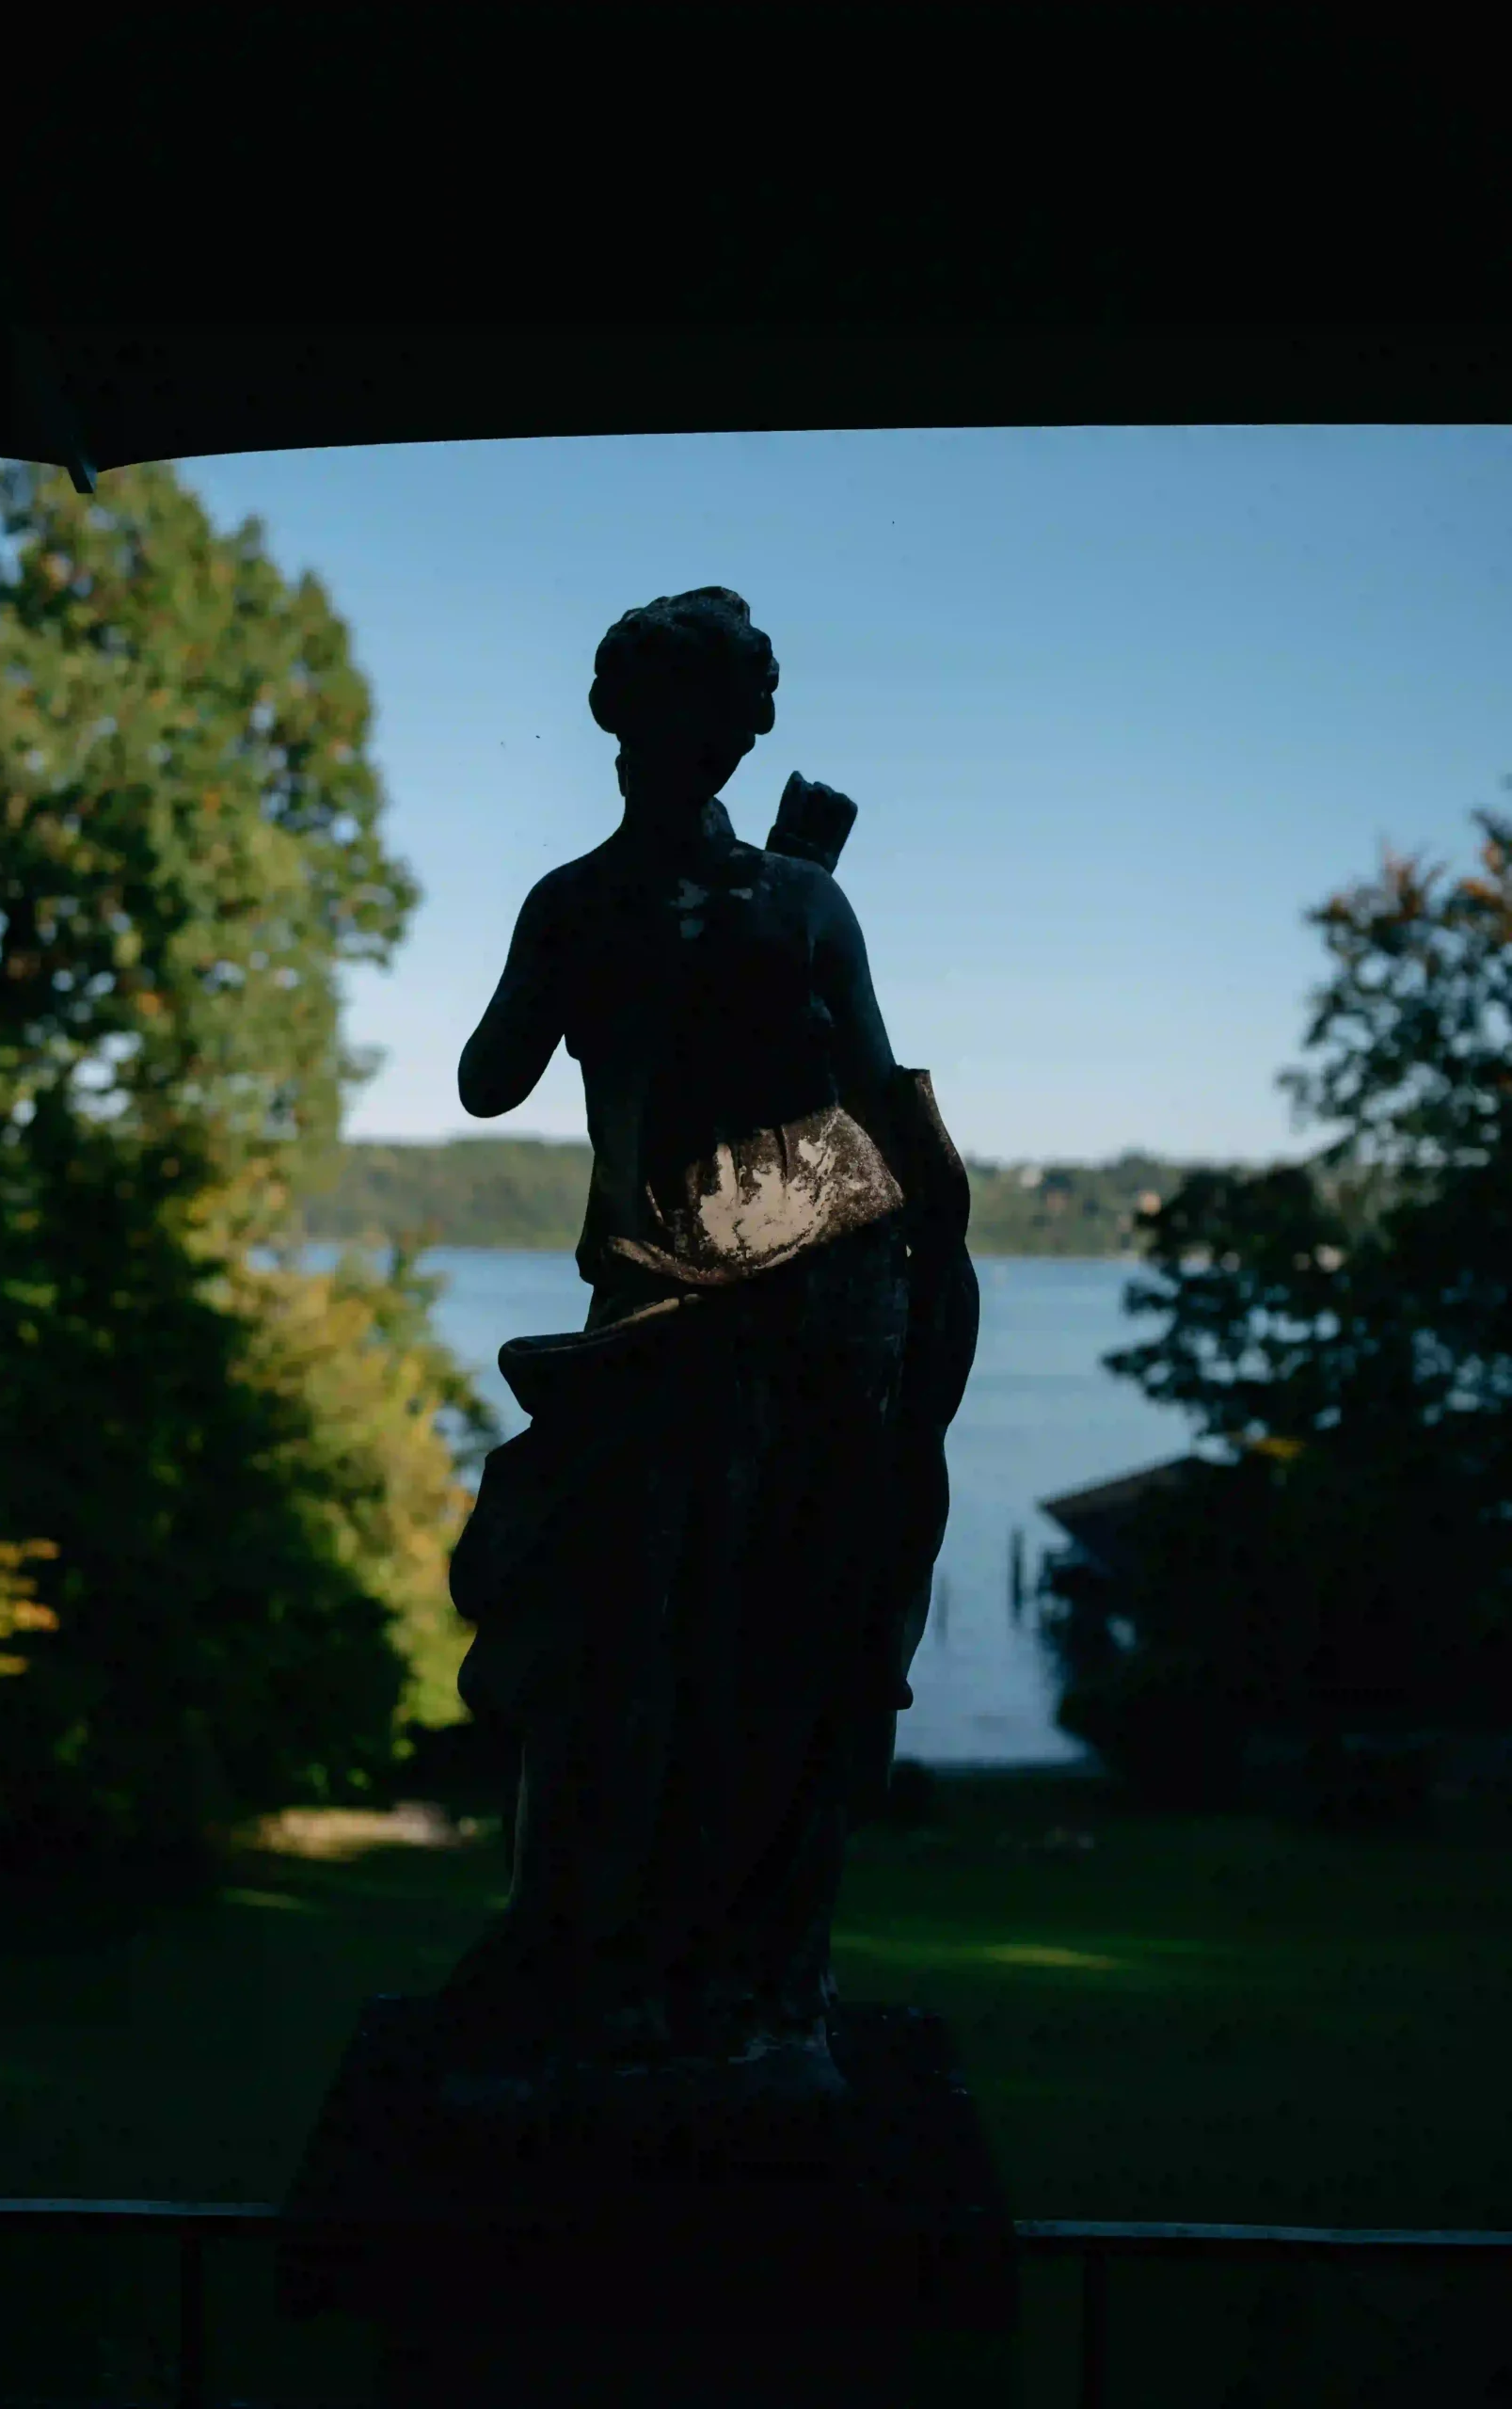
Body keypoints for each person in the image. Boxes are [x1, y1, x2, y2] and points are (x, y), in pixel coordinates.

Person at [436, 589, 977, 2090]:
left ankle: (743, 1982)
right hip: (678, 1328)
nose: (702, 738)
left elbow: (871, 1129)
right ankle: (630, 1969)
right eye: (691, 709)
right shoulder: (736, 904)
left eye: (718, 712)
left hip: (778, 1328)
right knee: (627, 1659)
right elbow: (494, 1079)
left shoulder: (762, 906)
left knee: (751, 1654)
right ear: (631, 719)